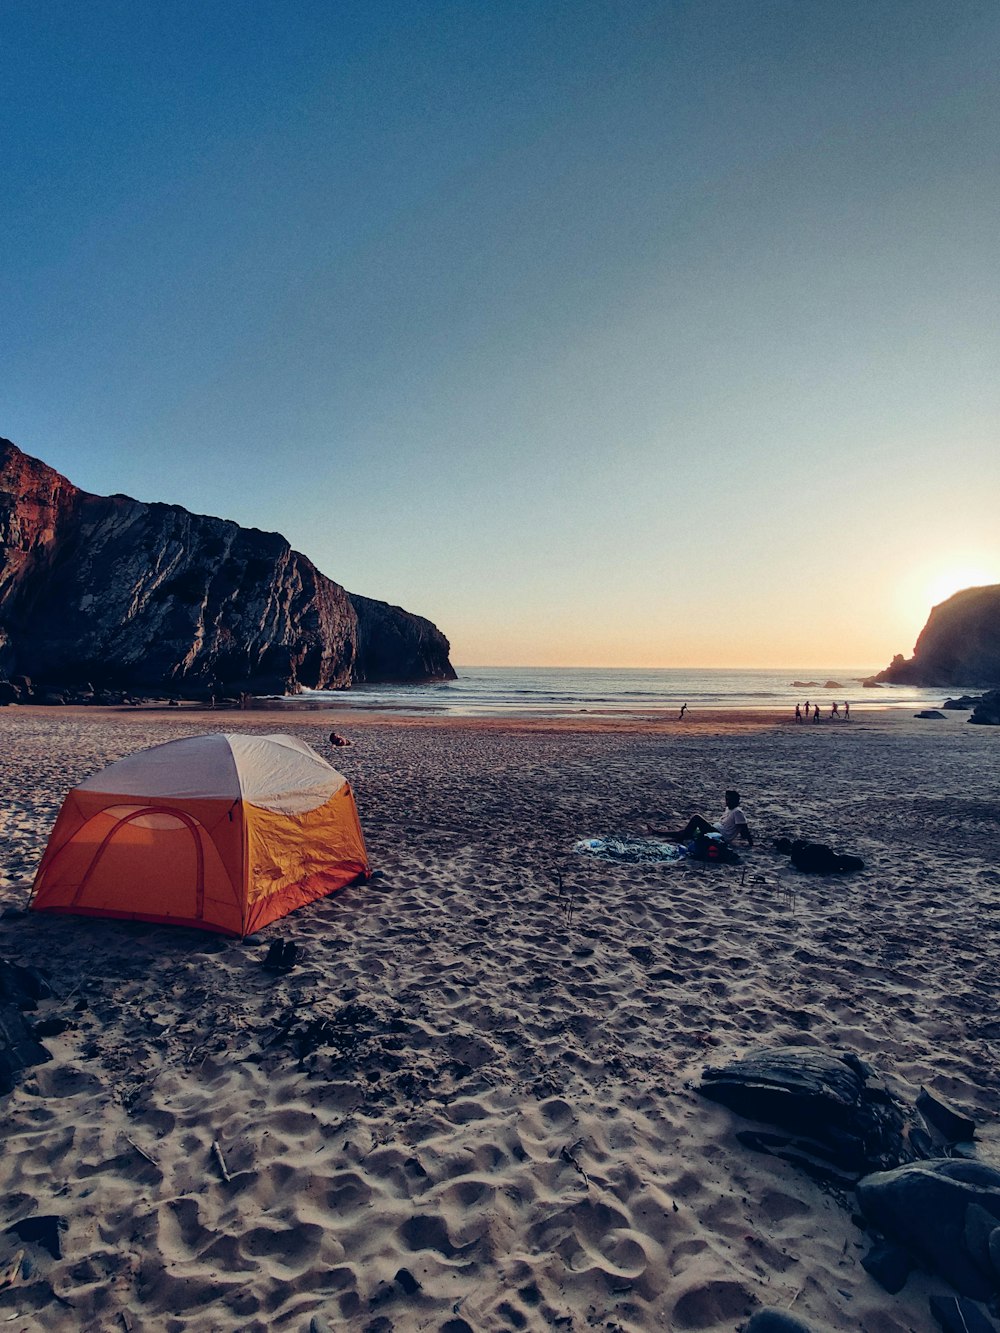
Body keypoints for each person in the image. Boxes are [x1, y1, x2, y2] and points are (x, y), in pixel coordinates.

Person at [647, 789, 754, 847]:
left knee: (696, 818)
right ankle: (657, 832)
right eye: (726, 799)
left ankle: (680, 838)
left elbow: (745, 830)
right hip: (715, 830)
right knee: (686, 831)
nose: (727, 802)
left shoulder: (738, 812)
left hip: (720, 836)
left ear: (736, 801)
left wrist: (750, 844)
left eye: (729, 800)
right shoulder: (729, 809)